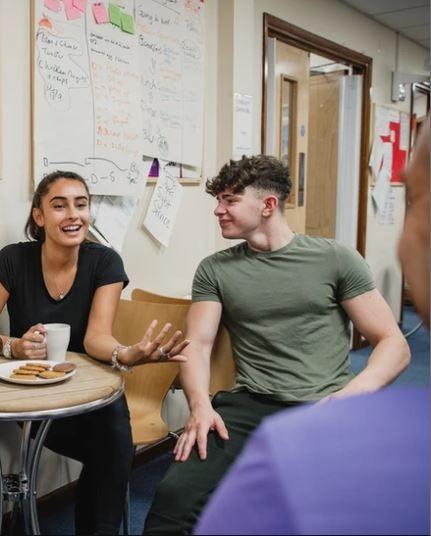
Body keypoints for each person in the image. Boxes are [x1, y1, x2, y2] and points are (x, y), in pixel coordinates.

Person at [143, 154, 412, 534]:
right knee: (173, 500)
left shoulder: (335, 259)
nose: (218, 210)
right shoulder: (215, 269)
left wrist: (352, 395)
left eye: (230, 200)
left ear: (268, 205)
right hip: (249, 405)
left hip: (324, 405)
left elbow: (393, 344)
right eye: (217, 200)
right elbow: (198, 345)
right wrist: (199, 407)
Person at [0, 171, 189, 534]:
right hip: (38, 402)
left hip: (94, 397)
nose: (73, 214)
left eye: (81, 204)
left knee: (113, 437)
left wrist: (127, 354)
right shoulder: (11, 261)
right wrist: (13, 345)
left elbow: (96, 338)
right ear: (39, 217)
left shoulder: (105, 262)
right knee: (111, 453)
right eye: (59, 205)